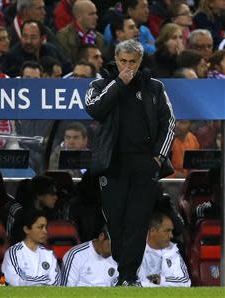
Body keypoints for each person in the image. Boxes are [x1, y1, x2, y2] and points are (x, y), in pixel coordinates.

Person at [85, 39, 175, 286]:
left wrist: (159, 157)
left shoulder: (154, 87)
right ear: (116, 59)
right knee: (116, 222)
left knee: (137, 221)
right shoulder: (101, 83)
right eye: (123, 61)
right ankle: (125, 271)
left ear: (140, 61)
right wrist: (119, 83)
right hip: (112, 164)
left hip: (144, 163)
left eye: (132, 62)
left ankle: (127, 276)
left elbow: (169, 122)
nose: (127, 66)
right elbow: (94, 109)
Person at [1, 210, 61, 286]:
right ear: (26, 229)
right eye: (40, 227)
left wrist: (32, 280)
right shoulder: (14, 252)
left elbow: (56, 282)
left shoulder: (49, 254)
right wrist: (44, 279)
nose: (45, 231)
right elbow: (15, 281)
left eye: (45, 227)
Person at [1, 20, 72, 78]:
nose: (28, 41)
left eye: (33, 37)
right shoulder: (12, 56)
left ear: (42, 38)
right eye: (24, 36)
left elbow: (69, 71)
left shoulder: (51, 50)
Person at [137, 213, 191, 287]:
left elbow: (185, 282)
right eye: (167, 231)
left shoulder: (172, 251)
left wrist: (160, 280)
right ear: (153, 231)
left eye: (171, 231)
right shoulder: (135, 249)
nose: (171, 235)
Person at [6, 175, 58, 242]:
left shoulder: (53, 214)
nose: (56, 197)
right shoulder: (20, 214)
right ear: (39, 195)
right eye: (52, 194)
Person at [56, 0, 104, 65]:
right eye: (91, 14)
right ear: (79, 17)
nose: (96, 17)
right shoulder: (63, 37)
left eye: (95, 13)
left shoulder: (99, 38)